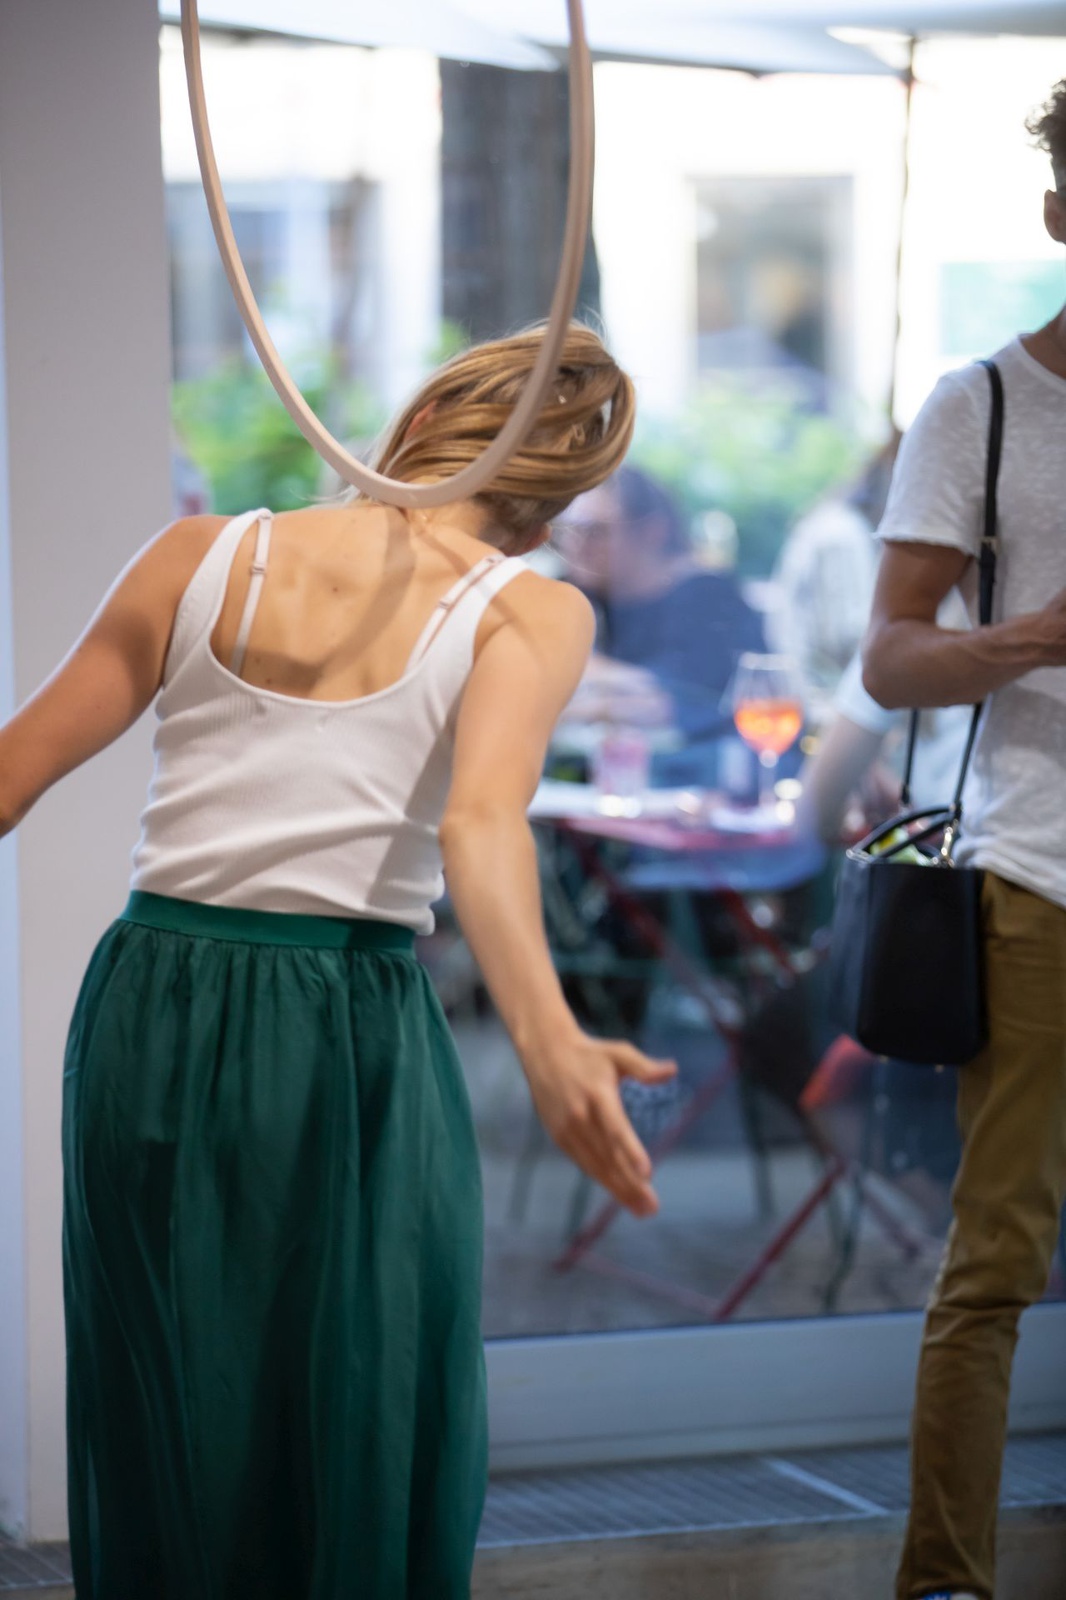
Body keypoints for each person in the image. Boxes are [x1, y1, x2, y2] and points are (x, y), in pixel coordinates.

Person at [0, 323, 677, 1599]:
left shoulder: (198, 554)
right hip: (342, 1017)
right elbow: (482, 825)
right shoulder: (529, 609)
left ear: (413, 428)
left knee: (168, 1393)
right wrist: (549, 1042)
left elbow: (7, 775)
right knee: (358, 1394)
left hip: (149, 998)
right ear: (548, 509)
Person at [861, 81, 1066, 1600]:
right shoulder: (981, 406)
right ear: (1059, 211)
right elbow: (888, 657)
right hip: (1035, 879)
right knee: (995, 1260)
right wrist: (1032, 638)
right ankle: (944, 1582)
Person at [555, 465, 766, 777]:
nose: (576, 547)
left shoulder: (705, 596)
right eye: (568, 531)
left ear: (652, 531)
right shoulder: (582, 590)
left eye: (595, 531)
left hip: (705, 779)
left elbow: (675, 703)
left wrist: (583, 681)